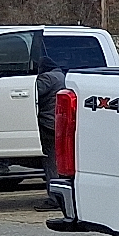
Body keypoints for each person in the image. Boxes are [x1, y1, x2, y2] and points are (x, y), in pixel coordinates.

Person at [36, 54, 66, 211]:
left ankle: (55, 198)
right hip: (57, 124)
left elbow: (33, 92)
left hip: (49, 125)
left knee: (51, 163)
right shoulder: (60, 76)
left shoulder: (48, 78)